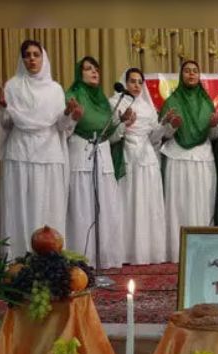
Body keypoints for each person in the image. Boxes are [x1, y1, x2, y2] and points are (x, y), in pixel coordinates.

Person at [0, 40, 81, 259]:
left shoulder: (55, 89)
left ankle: (50, 263)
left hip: (48, 154)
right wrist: (3, 108)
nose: (32, 59)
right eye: (27, 55)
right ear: (22, 59)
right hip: (20, 154)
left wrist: (69, 115)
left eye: (36, 54)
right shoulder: (12, 86)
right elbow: (6, 124)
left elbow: (62, 127)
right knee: (19, 208)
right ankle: (18, 261)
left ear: (44, 58)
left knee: (48, 208)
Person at [65, 56, 132, 269]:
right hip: (81, 154)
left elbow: (109, 135)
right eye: (88, 69)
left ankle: (104, 258)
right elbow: (63, 129)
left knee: (105, 206)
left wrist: (121, 123)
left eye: (96, 69)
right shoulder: (72, 95)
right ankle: (82, 259)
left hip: (103, 156)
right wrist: (72, 117)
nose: (94, 72)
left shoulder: (103, 101)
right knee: (82, 207)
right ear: (79, 73)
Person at [160, 60, 218, 263]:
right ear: (181, 75)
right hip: (177, 159)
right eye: (187, 71)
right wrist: (172, 126)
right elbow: (163, 135)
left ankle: (202, 252)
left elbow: (213, 136)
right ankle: (177, 251)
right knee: (178, 206)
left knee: (202, 205)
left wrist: (214, 126)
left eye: (195, 71)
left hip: (202, 159)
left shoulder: (206, 102)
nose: (191, 74)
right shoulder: (172, 101)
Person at [109, 68, 168, 265]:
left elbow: (154, 138)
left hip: (147, 157)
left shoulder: (148, 108)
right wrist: (124, 123)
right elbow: (111, 135)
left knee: (147, 202)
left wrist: (165, 124)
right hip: (126, 155)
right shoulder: (115, 102)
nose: (136, 85)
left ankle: (147, 251)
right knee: (128, 201)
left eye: (139, 82)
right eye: (132, 81)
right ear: (125, 82)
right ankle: (126, 252)